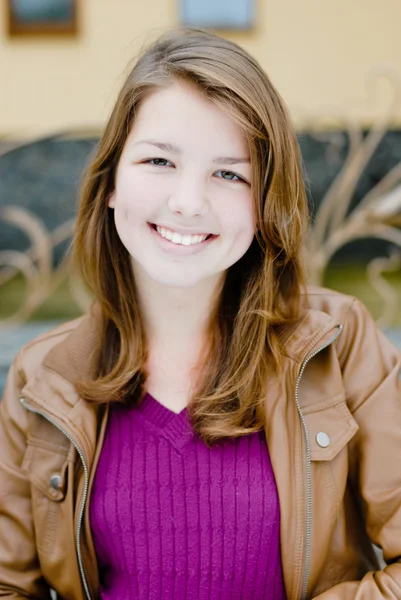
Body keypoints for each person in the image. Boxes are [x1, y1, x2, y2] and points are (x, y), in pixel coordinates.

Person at [0, 26, 400, 600]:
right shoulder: (43, 379)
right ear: (111, 181)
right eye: (160, 160)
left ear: (264, 206)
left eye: (229, 173)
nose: (188, 201)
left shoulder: (340, 348)